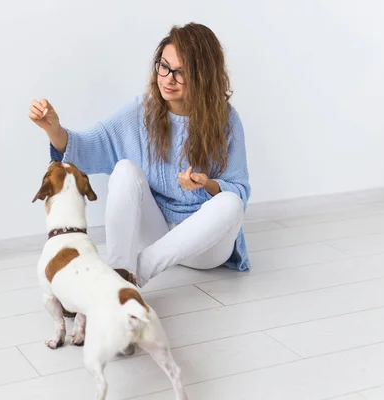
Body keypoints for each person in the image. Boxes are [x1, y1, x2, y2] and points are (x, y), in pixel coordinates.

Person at [28, 22, 251, 288]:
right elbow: (87, 147)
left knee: (231, 203)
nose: (168, 78)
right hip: (156, 233)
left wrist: (208, 184)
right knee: (124, 169)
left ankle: (132, 275)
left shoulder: (227, 120)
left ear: (204, 76)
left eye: (181, 72)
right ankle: (120, 268)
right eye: (164, 66)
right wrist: (53, 129)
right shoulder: (140, 112)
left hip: (206, 249)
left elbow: (239, 190)